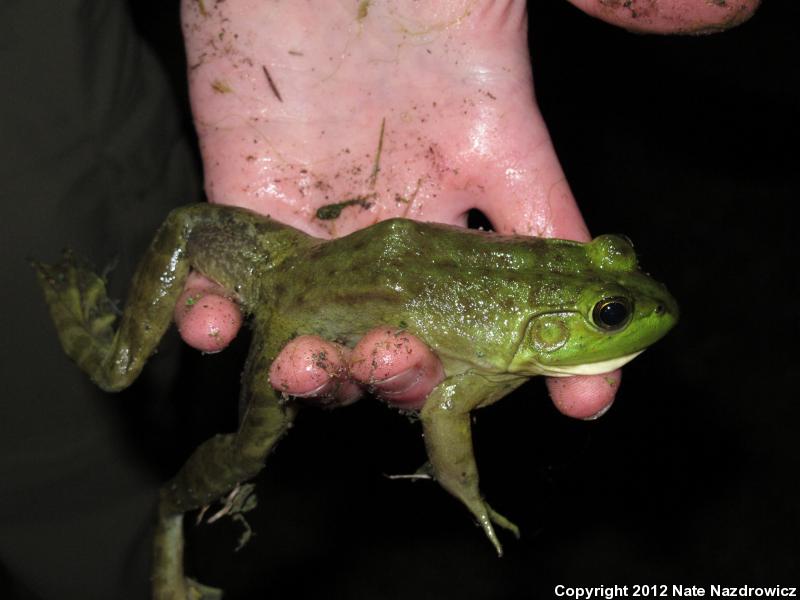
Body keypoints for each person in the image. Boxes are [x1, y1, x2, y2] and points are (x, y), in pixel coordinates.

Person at [0, 1, 759, 598]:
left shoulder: (532, 262)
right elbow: (443, 405)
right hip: (300, 290)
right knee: (245, 446)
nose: (623, 295)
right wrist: (464, 488)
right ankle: (169, 510)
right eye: (609, 308)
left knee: (184, 231)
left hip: (307, 253)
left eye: (609, 292)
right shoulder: (496, 359)